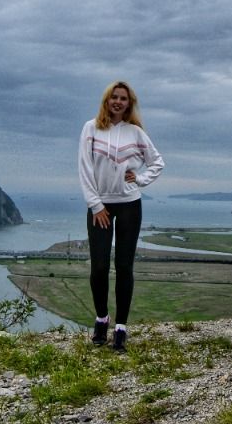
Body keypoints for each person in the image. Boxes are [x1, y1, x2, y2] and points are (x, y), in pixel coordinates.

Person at [78, 80, 165, 352]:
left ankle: (121, 329)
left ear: (129, 103)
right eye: (114, 97)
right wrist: (95, 205)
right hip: (100, 206)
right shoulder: (91, 128)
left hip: (129, 204)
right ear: (107, 100)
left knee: (125, 268)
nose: (118, 101)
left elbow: (158, 162)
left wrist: (139, 179)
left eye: (123, 98)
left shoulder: (135, 132)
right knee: (100, 267)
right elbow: (84, 168)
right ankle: (101, 319)